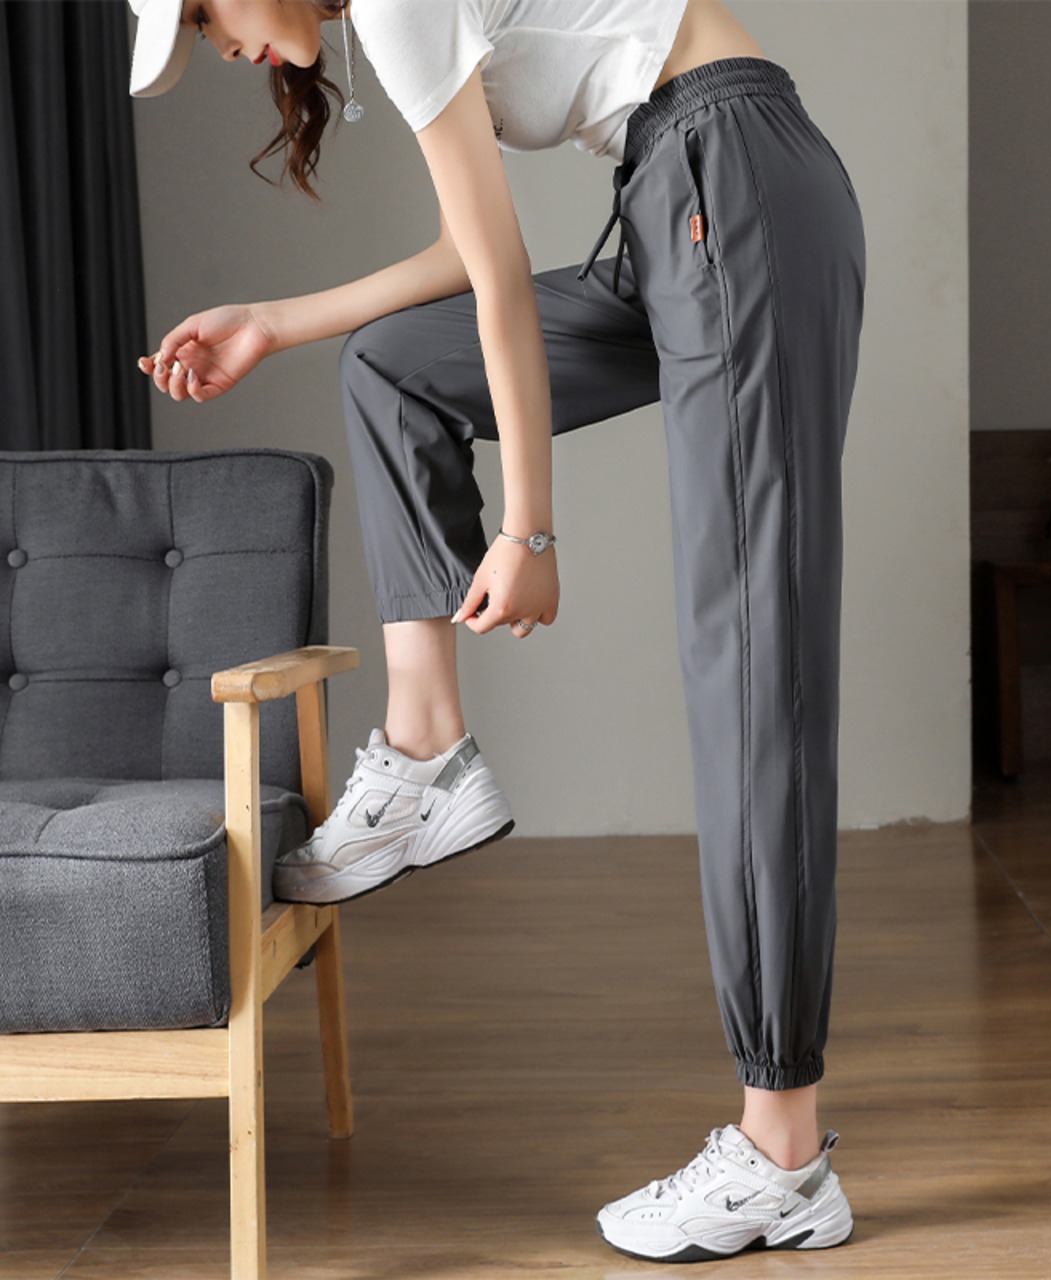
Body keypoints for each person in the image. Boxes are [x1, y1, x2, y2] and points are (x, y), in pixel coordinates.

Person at [128, 0, 866, 1263]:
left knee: (752, 665)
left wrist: (526, 527)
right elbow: (471, 256)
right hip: (679, 188)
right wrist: (276, 320)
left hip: (727, 177)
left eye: (201, 13)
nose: (218, 46)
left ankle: (781, 1151)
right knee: (390, 366)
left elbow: (502, 283)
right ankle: (426, 748)